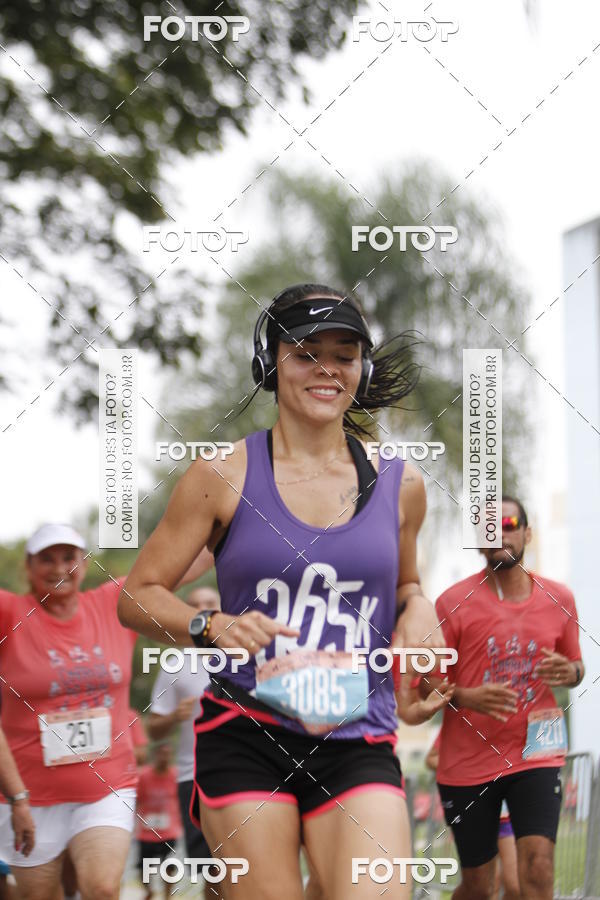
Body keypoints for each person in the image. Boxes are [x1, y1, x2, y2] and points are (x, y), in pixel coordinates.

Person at [119, 282, 445, 899]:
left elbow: (406, 582)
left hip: (358, 739)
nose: (327, 370)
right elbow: (136, 594)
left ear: (362, 367)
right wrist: (209, 626)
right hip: (247, 735)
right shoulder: (221, 475)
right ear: (270, 363)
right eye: (305, 352)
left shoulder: (401, 485)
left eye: (345, 354)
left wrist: (419, 607)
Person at [0, 522, 207, 899]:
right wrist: (16, 798)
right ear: (27, 568)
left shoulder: (112, 602)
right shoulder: (10, 613)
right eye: (46, 559)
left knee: (102, 889)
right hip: (28, 795)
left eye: (69, 557)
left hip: (106, 785)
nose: (59, 567)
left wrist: (231, 518)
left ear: (83, 563)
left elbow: (182, 563)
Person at [429, 496, 585, 900]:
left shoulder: (560, 599)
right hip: (468, 763)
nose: (501, 533)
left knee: (537, 868)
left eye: (510, 523)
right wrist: (466, 695)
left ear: (527, 533)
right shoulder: (451, 603)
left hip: (537, 752)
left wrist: (572, 673)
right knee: (482, 887)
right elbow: (425, 685)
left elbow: (576, 666)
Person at [147, 586, 220, 892]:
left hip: (252, 771)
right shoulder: (174, 663)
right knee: (212, 872)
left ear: (223, 605)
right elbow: (153, 728)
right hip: (194, 777)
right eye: (194, 605)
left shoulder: (250, 654)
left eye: (209, 603)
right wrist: (175, 715)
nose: (202, 609)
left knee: (246, 864)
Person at [425, 734, 519, 900]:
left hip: (505, 814)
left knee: (515, 885)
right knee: (488, 884)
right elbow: (431, 759)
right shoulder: (464, 718)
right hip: (475, 811)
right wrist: (467, 769)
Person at [136, 742, 183, 900]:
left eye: (168, 754)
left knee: (169, 865)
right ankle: (149, 891)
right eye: (162, 753)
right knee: (143, 868)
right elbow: (136, 800)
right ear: (155, 755)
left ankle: (167, 896)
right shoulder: (143, 776)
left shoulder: (176, 775)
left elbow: (182, 799)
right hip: (146, 831)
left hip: (169, 830)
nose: (165, 757)